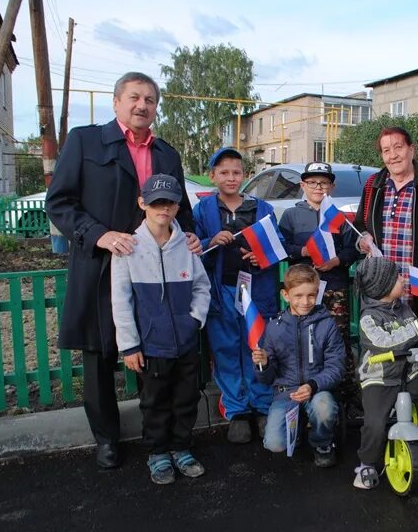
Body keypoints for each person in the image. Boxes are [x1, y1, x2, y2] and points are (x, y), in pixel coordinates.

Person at [45, 72, 201, 469]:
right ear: (116, 102)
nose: (141, 105)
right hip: (99, 266)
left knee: (154, 350)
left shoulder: (167, 153)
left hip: (156, 270)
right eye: (134, 97)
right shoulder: (85, 141)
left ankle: (160, 439)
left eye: (149, 99)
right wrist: (97, 235)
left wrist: (193, 238)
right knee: (100, 354)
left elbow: (179, 203)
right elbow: (59, 202)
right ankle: (107, 438)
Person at [110, 174, 211, 485]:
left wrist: (194, 320)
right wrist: (129, 345)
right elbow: (121, 300)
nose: (162, 208)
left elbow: (202, 287)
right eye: (156, 202)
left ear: (177, 206)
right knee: (154, 402)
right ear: (143, 204)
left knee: (185, 398)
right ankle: (157, 452)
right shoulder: (128, 248)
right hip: (151, 345)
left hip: (185, 341)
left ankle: (181, 448)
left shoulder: (187, 245)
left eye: (168, 202)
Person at [193, 146, 283, 444]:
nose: (231, 178)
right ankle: (237, 409)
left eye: (236, 172)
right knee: (226, 350)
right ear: (212, 176)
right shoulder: (204, 209)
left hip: (256, 291)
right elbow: (192, 245)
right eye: (224, 173)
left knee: (257, 346)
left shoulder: (261, 208)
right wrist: (210, 239)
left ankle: (260, 404)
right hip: (221, 291)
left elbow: (276, 244)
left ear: (244, 175)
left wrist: (263, 256)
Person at [353, 127, 418, 376]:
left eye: (398, 147)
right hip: (381, 290)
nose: (393, 155)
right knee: (383, 347)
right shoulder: (374, 184)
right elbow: (361, 224)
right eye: (386, 150)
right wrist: (363, 238)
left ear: (411, 149)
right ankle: (386, 402)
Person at [352, 257, 418, 490]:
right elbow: (384, 342)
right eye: (397, 278)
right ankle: (366, 463)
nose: (402, 279)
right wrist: (417, 327)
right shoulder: (369, 318)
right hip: (380, 377)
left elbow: (415, 343)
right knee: (375, 423)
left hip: (408, 372)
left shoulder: (404, 308)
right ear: (383, 288)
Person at [278, 162, 360, 417]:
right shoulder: (291, 216)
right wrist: (301, 251)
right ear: (302, 185)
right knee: (305, 339)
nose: (318, 187)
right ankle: (305, 391)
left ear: (332, 187)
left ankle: (345, 395)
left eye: (324, 183)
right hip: (303, 291)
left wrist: (337, 260)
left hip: (333, 287)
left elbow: (352, 248)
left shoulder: (338, 216)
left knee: (339, 339)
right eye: (312, 182)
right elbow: (281, 246)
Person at [252, 264, 346, 467]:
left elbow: (336, 367)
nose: (305, 302)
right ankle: (300, 422)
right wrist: (264, 365)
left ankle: (323, 442)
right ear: (286, 295)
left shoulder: (326, 324)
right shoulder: (274, 328)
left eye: (311, 295)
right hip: (286, 392)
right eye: (298, 296)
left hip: (317, 389)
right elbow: (266, 379)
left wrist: (312, 385)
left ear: (318, 292)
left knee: (324, 407)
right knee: (274, 444)